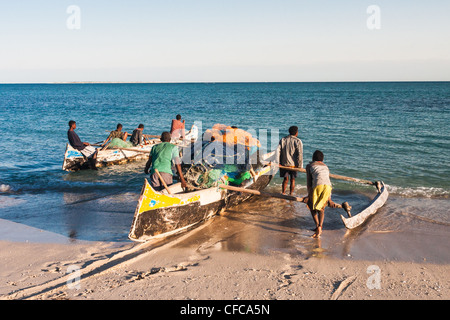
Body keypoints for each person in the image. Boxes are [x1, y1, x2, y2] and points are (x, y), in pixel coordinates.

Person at [304, 150, 352, 238]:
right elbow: (326, 181)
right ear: (322, 159)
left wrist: (308, 196)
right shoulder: (325, 166)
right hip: (328, 187)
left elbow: (309, 183)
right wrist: (329, 199)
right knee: (322, 208)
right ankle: (320, 226)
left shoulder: (309, 166)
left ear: (313, 158)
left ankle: (317, 226)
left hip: (318, 186)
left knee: (312, 206)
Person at [277, 126, 303, 195]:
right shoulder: (298, 141)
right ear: (296, 133)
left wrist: (278, 162)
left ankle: (283, 192)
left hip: (284, 163)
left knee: (285, 179)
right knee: (292, 180)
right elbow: (300, 154)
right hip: (294, 165)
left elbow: (278, 151)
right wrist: (300, 165)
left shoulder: (283, 140)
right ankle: (291, 193)